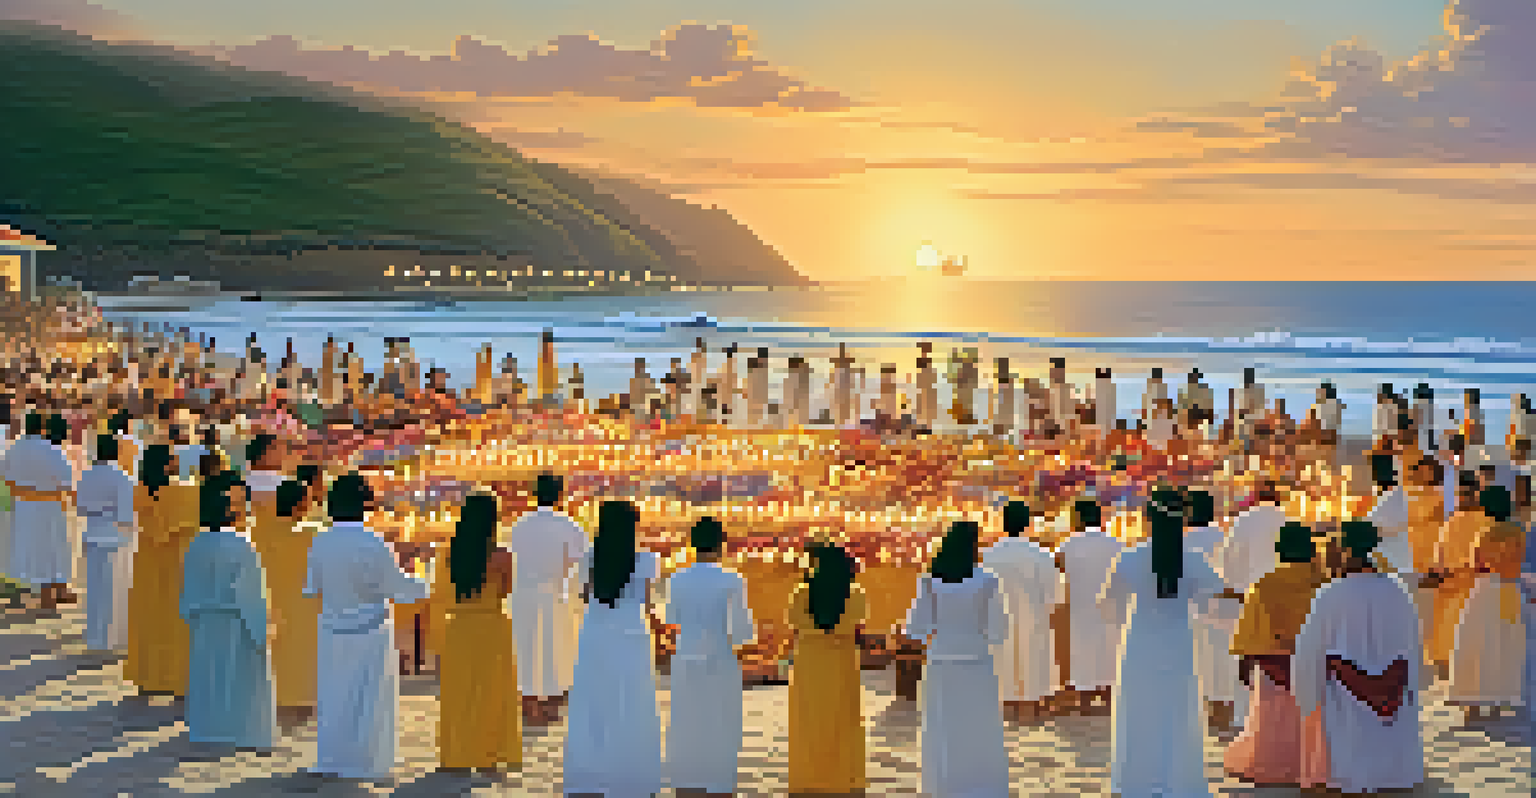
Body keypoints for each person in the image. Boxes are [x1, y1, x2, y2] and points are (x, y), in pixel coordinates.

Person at [1097, 488, 1224, 798]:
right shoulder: (1195, 560)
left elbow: (1106, 606)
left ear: (1148, 519)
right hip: (1178, 642)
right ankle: (1178, 779)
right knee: (1178, 711)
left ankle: (1135, 780)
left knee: (1139, 710)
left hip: (1139, 642)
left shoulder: (1128, 558)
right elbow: (1217, 605)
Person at [305, 472, 429, 780]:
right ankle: (365, 760)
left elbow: (312, 588)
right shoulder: (372, 542)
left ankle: (332, 757)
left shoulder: (320, 541)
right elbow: (399, 588)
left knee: (334, 697)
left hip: (332, 629)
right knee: (368, 700)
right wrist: (426, 580)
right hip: (370, 631)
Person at [1292, 520, 1425, 793]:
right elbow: (1414, 646)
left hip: (1343, 693)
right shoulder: (1398, 591)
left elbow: (1309, 650)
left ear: (1343, 551)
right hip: (1394, 689)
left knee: (1350, 749)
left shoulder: (1329, 594)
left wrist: (1307, 694)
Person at [904, 520, 1009, 798]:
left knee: (943, 724)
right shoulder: (987, 580)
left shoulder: (929, 580)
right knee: (978, 724)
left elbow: (916, 627)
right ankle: (981, 784)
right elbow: (998, 630)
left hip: (941, 659)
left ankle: (944, 784)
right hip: (976, 657)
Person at [564, 500, 662, 798]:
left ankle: (591, 773)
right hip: (632, 634)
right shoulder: (646, 559)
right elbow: (646, 602)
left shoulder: (590, 558)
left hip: (595, 633)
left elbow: (583, 595)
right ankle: (631, 773)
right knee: (632, 702)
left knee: (593, 702)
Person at [1224, 521, 1328, 786]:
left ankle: (1274, 768)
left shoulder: (1265, 584)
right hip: (1314, 666)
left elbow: (1251, 632)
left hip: (1273, 665)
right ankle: (1312, 767)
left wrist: (1244, 664)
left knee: (1274, 720)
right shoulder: (1325, 583)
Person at [180, 471, 277, 750]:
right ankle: (238, 730)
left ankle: (207, 728)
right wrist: (261, 630)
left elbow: (187, 585)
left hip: (205, 620)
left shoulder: (196, 543)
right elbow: (250, 592)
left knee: (207, 676)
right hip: (236, 621)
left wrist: (191, 613)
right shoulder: (240, 544)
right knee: (237, 679)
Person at [661, 516, 755, 798]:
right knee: (721, 720)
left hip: (686, 654)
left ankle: (687, 780)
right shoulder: (732, 580)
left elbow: (672, 619)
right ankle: (719, 782)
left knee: (686, 719)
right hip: (719, 655)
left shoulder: (676, 579)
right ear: (721, 545)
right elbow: (740, 631)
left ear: (692, 545)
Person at [437, 492, 520, 773]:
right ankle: (487, 755)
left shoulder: (449, 553)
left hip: (459, 627)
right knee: (491, 695)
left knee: (458, 695)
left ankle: (456, 754)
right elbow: (506, 591)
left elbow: (442, 592)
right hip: (492, 627)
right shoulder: (501, 556)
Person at [505, 473, 590, 723]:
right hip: (556, 594)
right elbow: (581, 564)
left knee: (525, 650)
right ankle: (550, 708)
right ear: (559, 495)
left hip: (522, 595)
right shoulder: (569, 525)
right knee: (555, 652)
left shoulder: (519, 525)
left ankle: (527, 704)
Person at [787, 541, 867, 795]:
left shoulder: (801, 593)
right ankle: (843, 776)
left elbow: (794, 624)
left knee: (808, 719)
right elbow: (856, 624)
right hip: (841, 660)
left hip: (809, 660)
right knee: (842, 718)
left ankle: (808, 776)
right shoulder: (855, 594)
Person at [124, 444, 199, 697]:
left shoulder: (138, 490)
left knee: (147, 617)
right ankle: (177, 679)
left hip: (147, 558)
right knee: (177, 621)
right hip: (176, 559)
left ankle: (146, 676)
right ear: (168, 464)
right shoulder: (182, 490)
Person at [1446, 485, 1526, 719]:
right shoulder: (1518, 530)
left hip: (1487, 588)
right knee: (1506, 645)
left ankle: (1473, 703)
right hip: (1511, 589)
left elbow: (1476, 563)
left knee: (1478, 643)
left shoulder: (1485, 532)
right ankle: (1499, 702)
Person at [982, 501, 1063, 722]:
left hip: (997, 622)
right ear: (1027, 524)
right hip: (1034, 619)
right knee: (1033, 663)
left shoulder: (988, 556)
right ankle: (1031, 707)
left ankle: (1004, 706)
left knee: (1002, 663)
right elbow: (1054, 597)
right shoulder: (1042, 555)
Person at [254, 477, 322, 724]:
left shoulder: (254, 532)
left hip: (265, 605)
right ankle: (299, 699)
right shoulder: (313, 535)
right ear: (299, 506)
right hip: (304, 609)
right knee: (300, 657)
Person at [1, 412, 77, 610]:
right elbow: (66, 481)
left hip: (24, 506)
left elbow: (5, 477)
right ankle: (51, 594)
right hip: (49, 505)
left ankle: (57, 590)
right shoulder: (51, 449)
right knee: (53, 547)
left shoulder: (15, 449)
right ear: (43, 428)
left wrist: (22, 490)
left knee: (35, 549)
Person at [1182, 489, 1244, 730]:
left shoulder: (1185, 542)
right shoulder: (1224, 537)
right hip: (1227, 608)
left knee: (1202, 662)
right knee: (1226, 660)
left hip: (1197, 609)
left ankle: (1210, 711)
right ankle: (1227, 709)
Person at [1057, 497, 1124, 713]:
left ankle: (1084, 700)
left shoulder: (1069, 544)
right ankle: (1108, 699)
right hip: (1111, 607)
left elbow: (1057, 567)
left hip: (1080, 607)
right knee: (1110, 651)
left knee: (1082, 650)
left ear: (1078, 518)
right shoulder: (1116, 544)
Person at [77, 433, 136, 652]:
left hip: (91, 534)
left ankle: (94, 637)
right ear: (117, 452)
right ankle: (109, 639)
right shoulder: (121, 477)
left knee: (93, 590)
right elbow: (126, 516)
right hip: (115, 538)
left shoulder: (86, 475)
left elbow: (80, 507)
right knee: (113, 592)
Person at [1430, 479, 1493, 675]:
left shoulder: (1485, 521)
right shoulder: (1453, 521)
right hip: (1455, 581)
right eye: (1462, 493)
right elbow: (1439, 551)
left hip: (1469, 581)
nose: (1464, 498)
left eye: (1467, 493)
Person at [1215, 482, 1286, 596]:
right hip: (1281, 590)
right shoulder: (1287, 520)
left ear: (1257, 497)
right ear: (1278, 497)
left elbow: (1228, 554)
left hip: (1248, 589)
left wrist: (1230, 585)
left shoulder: (1244, 519)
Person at [1365, 454, 1414, 575]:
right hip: (1393, 566)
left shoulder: (1394, 497)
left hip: (1395, 567)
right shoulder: (1389, 497)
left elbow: (1372, 530)